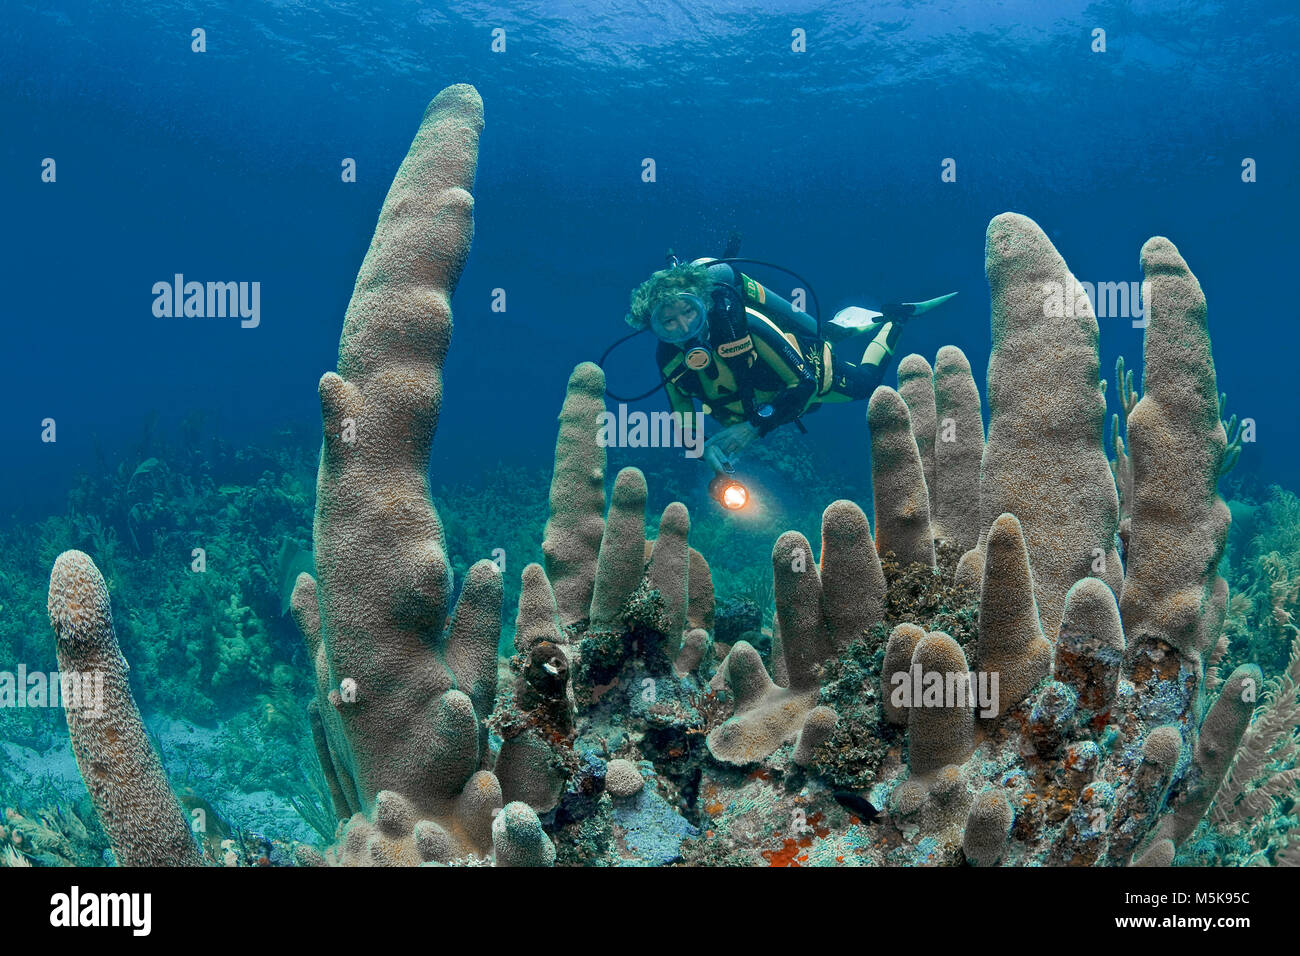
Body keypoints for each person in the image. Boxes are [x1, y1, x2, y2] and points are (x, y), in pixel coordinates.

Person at [623, 255, 954, 474]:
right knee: (825, 338)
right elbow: (682, 415)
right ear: (653, 327)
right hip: (765, 406)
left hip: (804, 376)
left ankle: (895, 318)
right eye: (668, 321)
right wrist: (700, 451)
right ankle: (837, 328)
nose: (683, 327)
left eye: (689, 312)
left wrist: (753, 429)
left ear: (703, 304)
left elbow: (806, 383)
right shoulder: (667, 359)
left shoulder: (742, 324)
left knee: (867, 384)